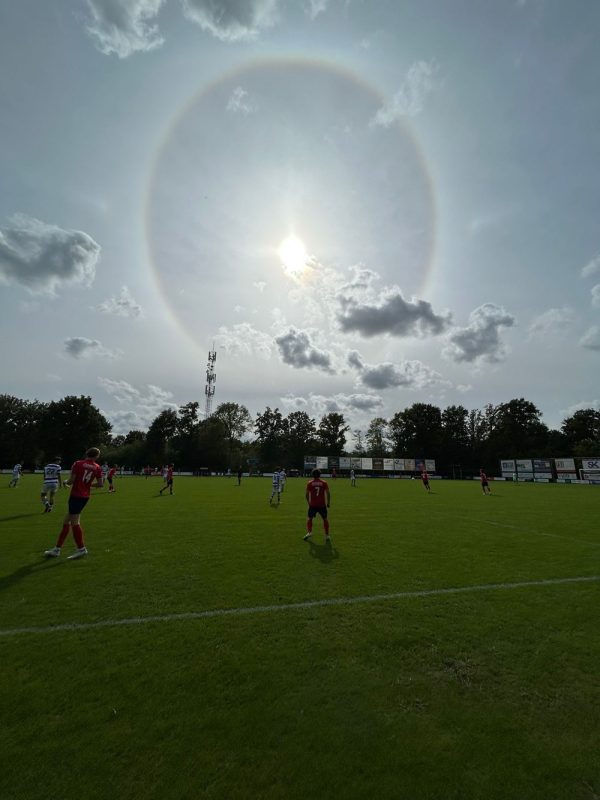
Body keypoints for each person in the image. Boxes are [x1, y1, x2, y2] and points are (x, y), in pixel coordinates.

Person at [44, 447, 103, 559]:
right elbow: (100, 484)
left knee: (74, 522)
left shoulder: (78, 463)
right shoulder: (97, 467)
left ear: (87, 453)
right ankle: (57, 549)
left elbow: (71, 481)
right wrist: (89, 485)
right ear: (96, 456)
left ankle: (81, 549)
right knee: (66, 522)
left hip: (76, 495)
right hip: (85, 496)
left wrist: (66, 482)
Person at [303, 468, 331, 541]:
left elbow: (306, 495)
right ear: (320, 475)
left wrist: (309, 503)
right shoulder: (324, 482)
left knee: (310, 518)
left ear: (312, 475)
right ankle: (327, 535)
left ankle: (309, 532)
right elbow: (328, 493)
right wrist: (328, 503)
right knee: (325, 519)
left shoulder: (310, 483)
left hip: (313, 505)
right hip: (322, 505)